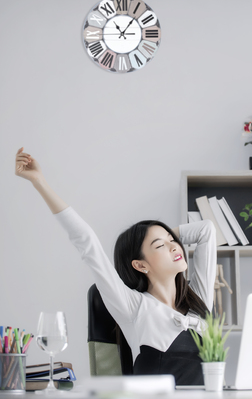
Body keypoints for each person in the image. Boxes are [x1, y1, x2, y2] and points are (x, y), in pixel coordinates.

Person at [15, 147, 217, 385]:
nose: (175, 247)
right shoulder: (133, 307)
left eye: (174, 242)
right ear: (140, 265)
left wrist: (160, 237)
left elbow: (206, 231)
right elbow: (86, 242)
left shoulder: (198, 302)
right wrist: (39, 182)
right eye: (161, 246)